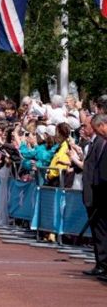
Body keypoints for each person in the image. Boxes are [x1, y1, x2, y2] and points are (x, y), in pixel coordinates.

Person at [88, 114, 107, 281]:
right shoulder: (102, 142)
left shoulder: (102, 142)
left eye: (97, 129)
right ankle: (102, 265)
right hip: (99, 193)